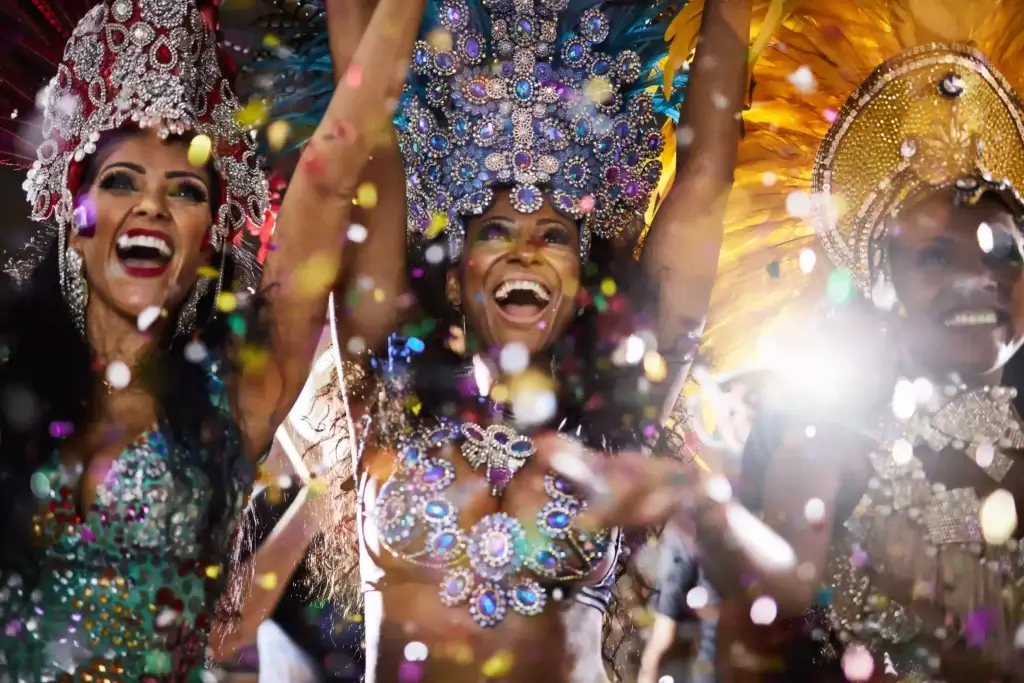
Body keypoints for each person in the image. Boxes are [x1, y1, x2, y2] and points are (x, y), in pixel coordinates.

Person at [256, 0, 758, 681]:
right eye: (494, 231)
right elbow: (368, 141)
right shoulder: (389, 391)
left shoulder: (623, 409)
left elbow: (704, 179)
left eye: (554, 236)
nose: (525, 251)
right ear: (458, 280)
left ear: (582, 287)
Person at [537, 2, 1024, 682]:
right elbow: (783, 586)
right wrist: (701, 505)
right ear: (881, 289)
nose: (981, 278)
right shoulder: (831, 440)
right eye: (935, 259)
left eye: (1003, 248)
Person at [0, 0, 425, 678]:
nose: (152, 206)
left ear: (208, 241)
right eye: (120, 182)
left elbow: (334, 165)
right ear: (73, 220)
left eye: (186, 191)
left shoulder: (236, 401)